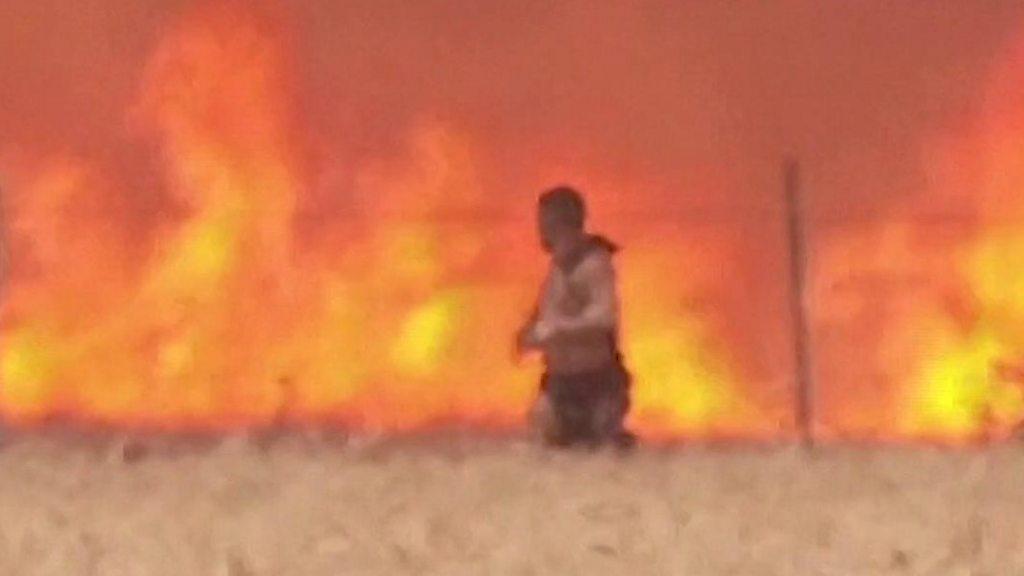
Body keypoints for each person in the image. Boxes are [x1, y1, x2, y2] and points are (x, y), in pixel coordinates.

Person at [516, 186, 635, 448]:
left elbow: (604, 318)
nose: (540, 230)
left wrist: (560, 330)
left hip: (597, 380)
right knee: (543, 429)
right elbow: (542, 315)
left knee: (602, 441)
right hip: (560, 382)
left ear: (559, 223)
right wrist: (527, 335)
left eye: (544, 222)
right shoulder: (558, 268)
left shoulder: (594, 265)